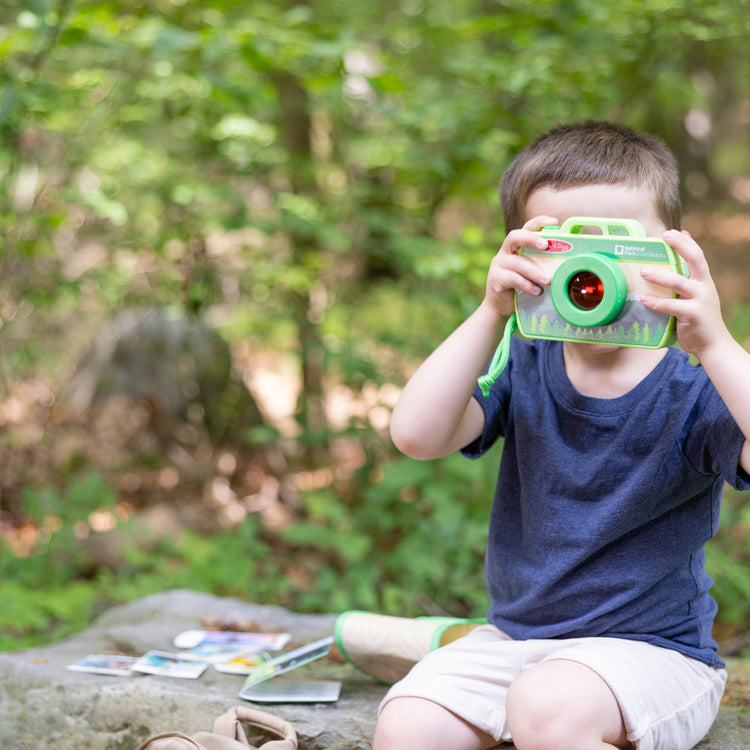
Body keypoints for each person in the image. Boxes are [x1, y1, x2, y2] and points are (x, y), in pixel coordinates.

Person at [372, 121, 750, 750]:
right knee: (410, 723)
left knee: (547, 709)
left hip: (654, 654)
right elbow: (416, 434)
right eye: (567, 250)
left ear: (672, 257)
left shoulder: (697, 382)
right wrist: (492, 311)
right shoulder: (523, 357)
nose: (592, 274)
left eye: (619, 250)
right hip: (518, 644)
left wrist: (715, 343)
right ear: (520, 256)